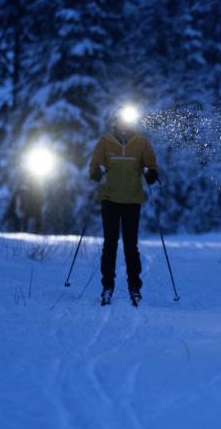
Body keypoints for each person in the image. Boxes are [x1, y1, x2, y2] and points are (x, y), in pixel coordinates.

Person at [88, 107, 159, 306]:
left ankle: (134, 287)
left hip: (132, 199)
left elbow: (152, 167)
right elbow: (93, 167)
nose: (125, 125)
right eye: (122, 121)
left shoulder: (142, 143)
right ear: (116, 122)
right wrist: (96, 173)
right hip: (109, 198)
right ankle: (107, 286)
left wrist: (151, 174)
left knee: (130, 245)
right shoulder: (105, 142)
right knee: (110, 244)